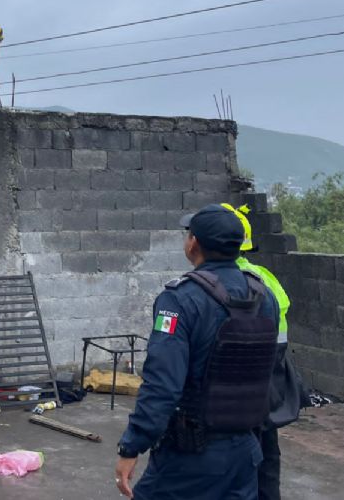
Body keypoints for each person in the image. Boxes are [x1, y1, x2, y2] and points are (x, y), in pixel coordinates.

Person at [115, 204, 280, 500]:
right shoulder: (263, 296)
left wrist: (132, 446)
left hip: (190, 457)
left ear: (194, 244)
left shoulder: (179, 300)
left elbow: (162, 384)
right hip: (246, 451)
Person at [224, 203, 306, 500]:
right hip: (270, 379)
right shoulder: (264, 278)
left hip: (235, 391)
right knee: (267, 457)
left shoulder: (226, 284)